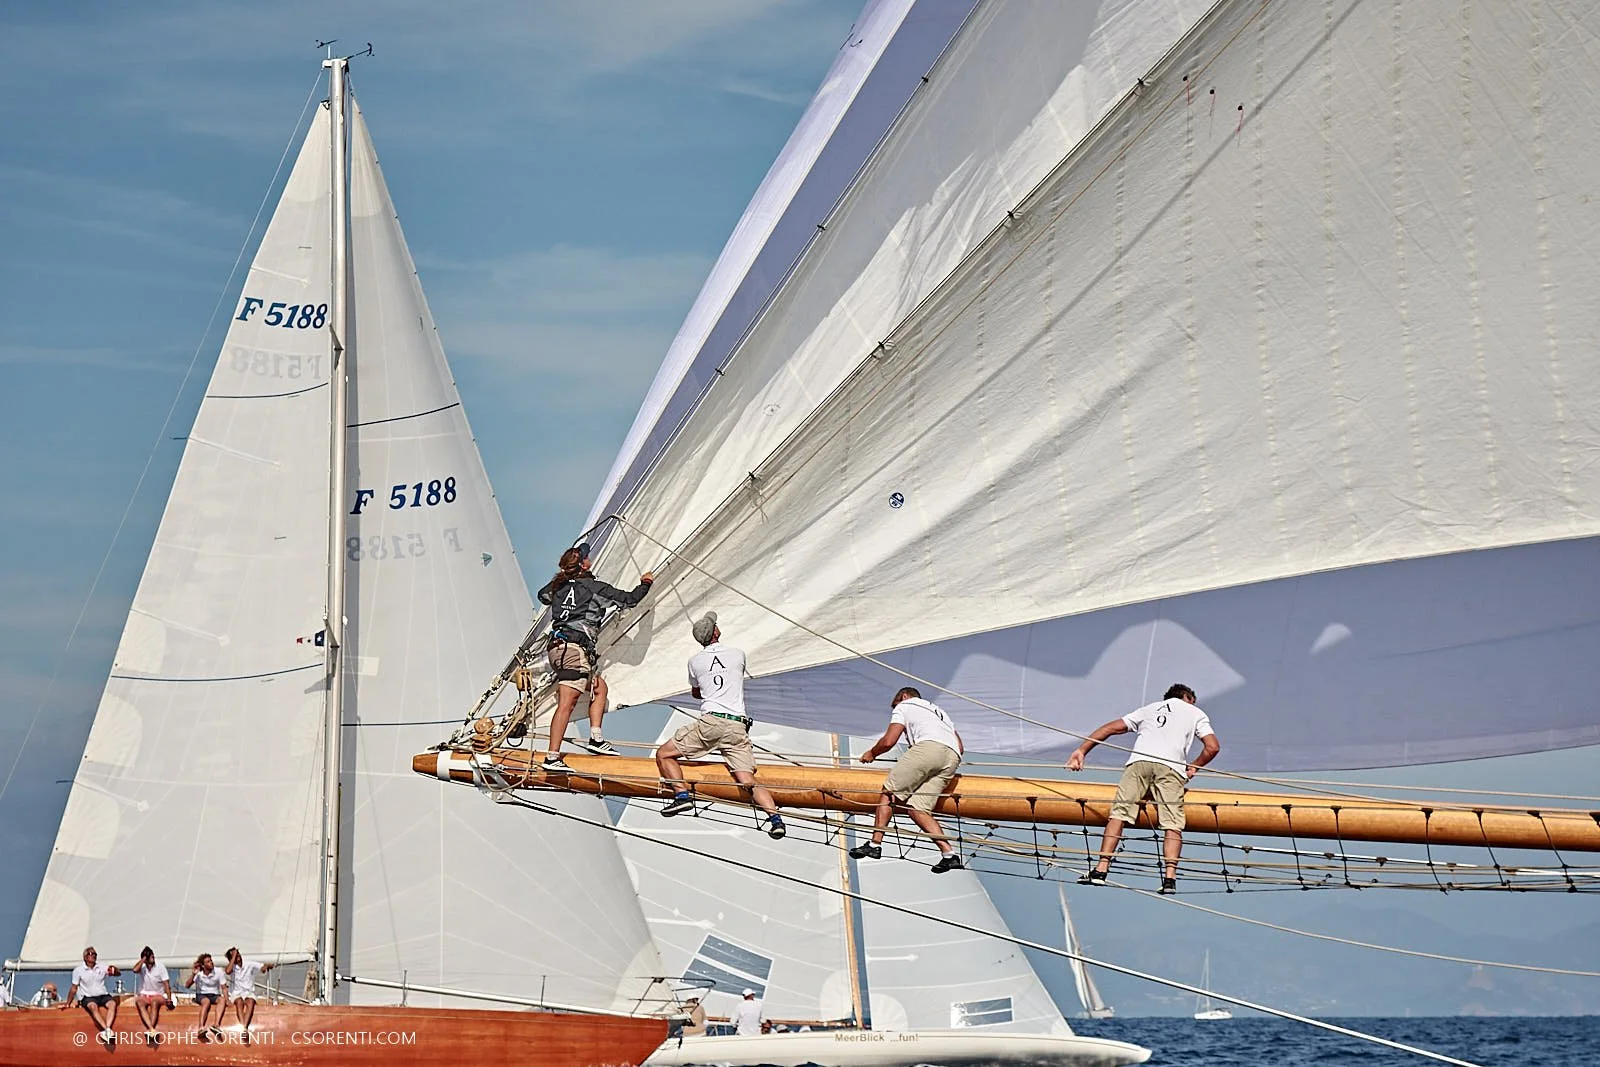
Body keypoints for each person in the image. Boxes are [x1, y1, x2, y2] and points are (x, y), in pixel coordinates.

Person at [1067, 682, 1221, 894]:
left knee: (1118, 815)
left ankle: (1101, 870)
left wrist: (1082, 751)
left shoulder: (1149, 709)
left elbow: (1111, 728)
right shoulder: (1195, 712)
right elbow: (1212, 747)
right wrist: (1193, 768)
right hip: (1171, 767)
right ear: (1187, 697)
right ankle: (1169, 879)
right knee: (1172, 824)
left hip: (1139, 762)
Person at [653, 612, 785, 839]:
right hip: (737, 727)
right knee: (747, 780)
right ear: (716, 632)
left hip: (712, 722)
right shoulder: (737, 654)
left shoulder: (694, 661)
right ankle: (775, 819)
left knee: (664, 754)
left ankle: (682, 796)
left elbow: (697, 692)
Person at [536, 542, 654, 772]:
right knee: (566, 705)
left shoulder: (557, 588)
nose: (591, 559)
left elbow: (543, 596)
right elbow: (629, 599)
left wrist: (564, 580)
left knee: (599, 688)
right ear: (583, 564)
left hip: (556, 648)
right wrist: (646, 583)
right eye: (587, 557)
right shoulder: (594, 588)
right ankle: (552, 757)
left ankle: (596, 738)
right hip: (573, 650)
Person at [850, 687, 965, 873]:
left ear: (904, 696)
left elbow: (889, 741)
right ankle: (949, 854)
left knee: (889, 792)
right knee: (917, 809)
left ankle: (874, 844)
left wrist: (872, 753)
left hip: (928, 748)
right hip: (952, 758)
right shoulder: (941, 713)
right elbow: (960, 746)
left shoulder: (905, 706)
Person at [66, 945, 120, 1047]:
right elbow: (74, 988)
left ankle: (107, 1029)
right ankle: (105, 1029)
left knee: (112, 1004)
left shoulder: (101, 967)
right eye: (91, 954)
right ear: (85, 957)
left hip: (102, 994)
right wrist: (68, 1003)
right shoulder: (78, 970)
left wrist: (114, 970)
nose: (93, 956)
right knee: (93, 1007)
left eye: (95, 954)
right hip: (88, 996)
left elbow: (117, 973)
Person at [223, 947, 272, 1039]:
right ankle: (244, 1028)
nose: (238, 956)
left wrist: (268, 965)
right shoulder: (232, 967)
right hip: (236, 993)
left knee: (250, 1001)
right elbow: (227, 971)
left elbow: (262, 968)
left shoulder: (249, 963)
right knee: (239, 1002)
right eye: (235, 956)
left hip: (248, 992)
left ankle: (244, 1028)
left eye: (238, 954)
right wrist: (233, 958)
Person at [131, 946, 172, 1044]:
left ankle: (150, 1029)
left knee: (154, 1002)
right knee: (139, 1002)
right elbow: (134, 970)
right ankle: (151, 1029)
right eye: (150, 955)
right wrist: (143, 960)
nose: (153, 957)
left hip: (158, 995)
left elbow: (166, 984)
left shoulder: (160, 966)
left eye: (153, 954)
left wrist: (169, 999)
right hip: (144, 994)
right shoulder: (143, 967)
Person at [187, 953, 226, 1042]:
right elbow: (187, 985)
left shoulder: (218, 971)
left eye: (211, 960)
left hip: (214, 994)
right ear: (203, 965)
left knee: (222, 1000)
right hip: (202, 994)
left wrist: (227, 1000)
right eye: (208, 962)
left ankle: (216, 1025)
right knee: (206, 1002)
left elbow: (224, 987)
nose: (211, 963)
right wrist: (193, 974)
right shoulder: (199, 973)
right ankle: (201, 1028)